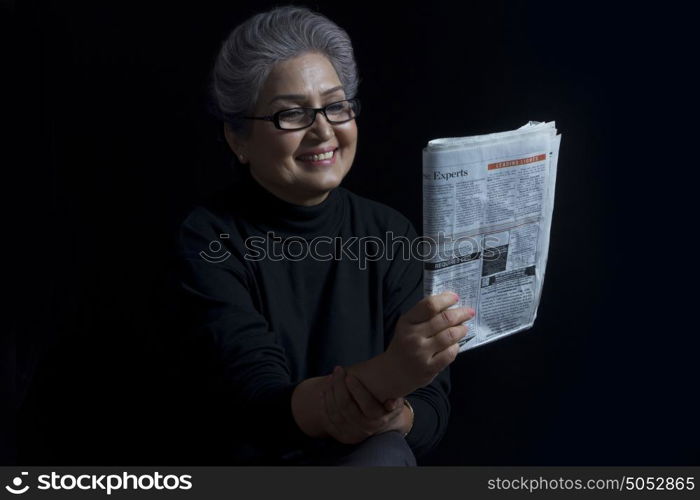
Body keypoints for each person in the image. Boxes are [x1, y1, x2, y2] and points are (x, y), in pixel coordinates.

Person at [176, 5, 474, 466]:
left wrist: (392, 416)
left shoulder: (389, 232)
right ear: (237, 139)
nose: (323, 130)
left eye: (336, 106)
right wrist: (389, 375)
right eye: (291, 114)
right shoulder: (208, 237)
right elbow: (260, 400)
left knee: (386, 452)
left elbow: (432, 407)